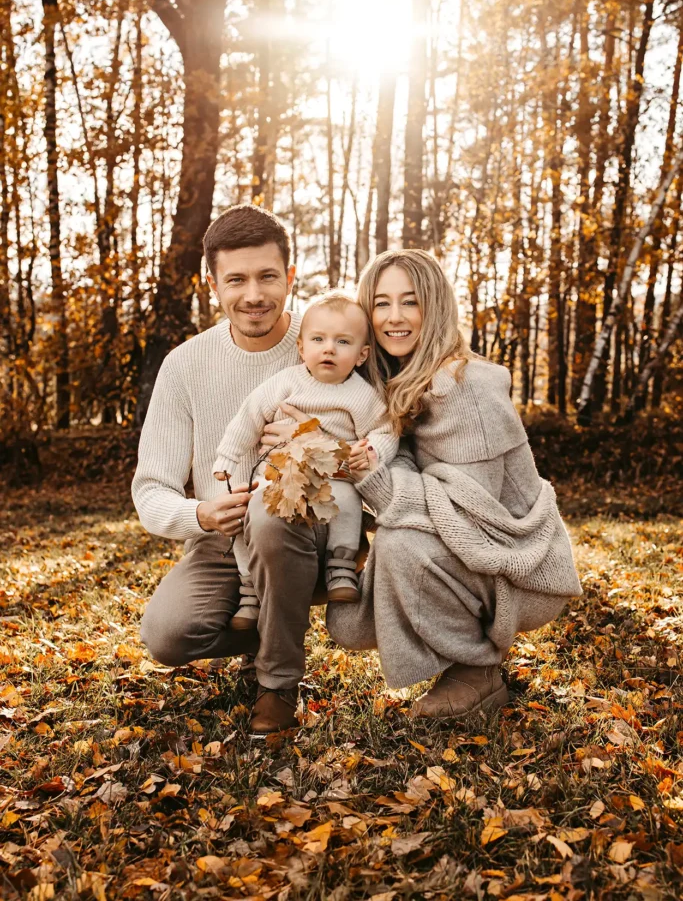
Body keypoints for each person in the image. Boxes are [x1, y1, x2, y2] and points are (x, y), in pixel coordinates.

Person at [326, 249, 582, 718]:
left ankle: (478, 671)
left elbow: (472, 520)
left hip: (522, 565)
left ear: (436, 306)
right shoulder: (393, 381)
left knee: (401, 544)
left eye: (411, 302)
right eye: (381, 304)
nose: (394, 317)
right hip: (484, 555)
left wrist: (376, 481)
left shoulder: (464, 386)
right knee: (361, 547)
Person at [133, 204, 338, 735]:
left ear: (290, 277)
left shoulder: (326, 348)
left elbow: (382, 434)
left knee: (273, 519)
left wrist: (319, 445)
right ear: (212, 285)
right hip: (222, 541)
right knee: (167, 635)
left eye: (268, 276)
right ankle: (279, 624)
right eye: (237, 280)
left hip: (311, 529)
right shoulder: (185, 364)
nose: (254, 294)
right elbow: (151, 487)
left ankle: (277, 684)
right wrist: (200, 513)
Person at [212, 292, 397, 630]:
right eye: (318, 339)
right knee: (252, 510)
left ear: (361, 355)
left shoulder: (362, 394)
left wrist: (372, 450)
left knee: (346, 500)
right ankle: (250, 587)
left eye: (343, 341)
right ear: (302, 348)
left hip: (335, 478)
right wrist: (227, 455)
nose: (329, 348)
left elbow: (385, 430)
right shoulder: (286, 383)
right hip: (281, 476)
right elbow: (248, 417)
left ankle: (340, 566)